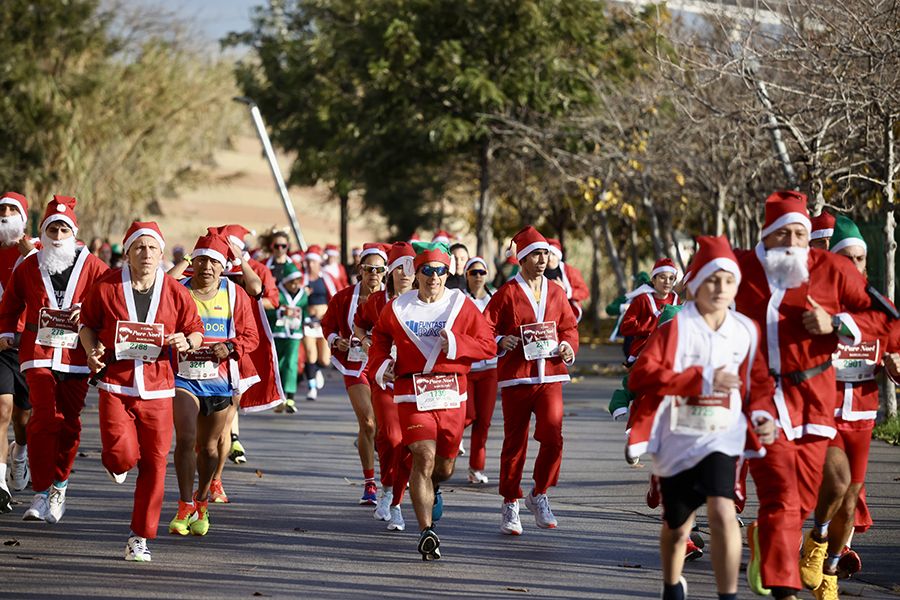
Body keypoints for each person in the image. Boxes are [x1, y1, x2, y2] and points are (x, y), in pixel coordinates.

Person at [734, 191, 872, 599]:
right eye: (786, 234)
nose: (794, 243)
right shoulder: (744, 270)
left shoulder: (833, 277)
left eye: (801, 234)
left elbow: (885, 323)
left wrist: (839, 323)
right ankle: (787, 586)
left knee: (837, 493)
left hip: (832, 409)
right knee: (782, 494)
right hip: (765, 404)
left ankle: (818, 553)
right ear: (768, 235)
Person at [626, 235, 777, 600]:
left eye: (728, 280)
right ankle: (671, 584)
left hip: (722, 436)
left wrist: (762, 414)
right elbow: (641, 376)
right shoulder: (675, 328)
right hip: (679, 437)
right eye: (712, 279)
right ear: (694, 284)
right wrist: (702, 379)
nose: (721, 288)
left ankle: (728, 595)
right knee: (678, 526)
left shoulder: (745, 329)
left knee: (724, 511)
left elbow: (758, 382)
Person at [79, 221, 204, 562]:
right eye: (139, 248)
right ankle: (118, 461)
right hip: (116, 385)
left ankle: (139, 536)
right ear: (128, 253)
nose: (146, 254)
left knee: (155, 464)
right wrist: (91, 351)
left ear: (161, 253)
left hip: (159, 390)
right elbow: (86, 325)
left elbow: (195, 331)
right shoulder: (106, 286)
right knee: (121, 455)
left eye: (152, 248)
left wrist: (186, 341)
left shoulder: (177, 292)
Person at [368, 241, 495, 560]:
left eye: (440, 271)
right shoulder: (398, 307)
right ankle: (427, 532)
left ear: (447, 272)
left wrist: (456, 342)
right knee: (423, 456)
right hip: (412, 393)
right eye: (427, 270)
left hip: (452, 394)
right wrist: (383, 364)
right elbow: (380, 336)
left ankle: (435, 487)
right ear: (416, 272)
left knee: (445, 465)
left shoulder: (461, 305)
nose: (434, 277)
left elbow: (488, 345)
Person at [0, 196, 108, 522]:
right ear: (43, 232)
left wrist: (87, 311)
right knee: (44, 419)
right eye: (52, 229)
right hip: (38, 352)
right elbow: (10, 306)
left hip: (77, 354)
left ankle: (60, 482)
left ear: (73, 233)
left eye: (64, 229)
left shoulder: (94, 267)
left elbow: (110, 304)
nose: (58, 235)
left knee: (69, 424)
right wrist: (5, 331)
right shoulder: (29, 265)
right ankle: (41, 492)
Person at [801, 216, 889, 599]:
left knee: (850, 501)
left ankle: (829, 573)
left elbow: (892, 348)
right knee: (836, 484)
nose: (854, 266)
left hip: (863, 416)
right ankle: (816, 540)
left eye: (859, 259)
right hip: (824, 412)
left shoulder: (878, 306)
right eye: (845, 258)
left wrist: (895, 365)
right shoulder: (813, 303)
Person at [483, 226, 578, 536]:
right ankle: (511, 500)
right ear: (521, 258)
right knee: (515, 442)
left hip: (550, 374)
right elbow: (485, 328)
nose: (542, 259)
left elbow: (569, 328)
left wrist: (567, 346)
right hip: (517, 378)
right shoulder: (506, 292)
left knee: (553, 435)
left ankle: (540, 493)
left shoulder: (556, 291)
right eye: (536, 254)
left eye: (545, 253)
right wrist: (500, 340)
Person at [167, 233, 259, 536]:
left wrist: (231, 348)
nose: (207, 267)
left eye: (215, 262)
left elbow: (251, 337)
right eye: (202, 260)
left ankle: (202, 503)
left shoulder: (235, 295)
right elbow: (162, 292)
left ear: (223, 268)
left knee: (208, 449)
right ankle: (183, 505)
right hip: (183, 378)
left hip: (219, 383)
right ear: (193, 263)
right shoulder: (177, 290)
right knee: (185, 439)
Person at [354, 241, 416, 529]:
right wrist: (367, 344)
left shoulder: (423, 302)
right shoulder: (377, 301)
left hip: (416, 381)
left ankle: (395, 501)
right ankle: (388, 489)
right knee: (390, 437)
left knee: (408, 444)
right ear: (390, 271)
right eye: (400, 267)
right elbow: (359, 324)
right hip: (383, 378)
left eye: (411, 268)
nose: (406, 273)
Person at [323, 243, 387, 504]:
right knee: (369, 422)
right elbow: (327, 324)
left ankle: (391, 478)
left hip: (384, 366)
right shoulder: (344, 297)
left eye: (379, 269)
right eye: (369, 268)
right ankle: (370, 482)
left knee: (383, 428)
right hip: (353, 365)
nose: (374, 273)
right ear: (360, 270)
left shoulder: (392, 299)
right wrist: (336, 340)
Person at [0, 191, 34, 509]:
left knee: (23, 419)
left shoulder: (35, 251)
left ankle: (19, 454)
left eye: (12, 209)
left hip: (28, 346)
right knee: (2, 409)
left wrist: (32, 253)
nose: (6, 214)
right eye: (2, 209)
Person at [462, 257, 498, 484]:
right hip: (466, 367)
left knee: (483, 420)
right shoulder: (459, 299)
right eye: (473, 272)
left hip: (490, 366)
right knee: (467, 415)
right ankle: (448, 447)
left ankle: (476, 467)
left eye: (481, 272)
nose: (477, 276)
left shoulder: (495, 298)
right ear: (466, 275)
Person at [619, 258, 680, 366]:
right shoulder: (642, 299)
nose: (667, 282)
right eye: (662, 277)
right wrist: (654, 321)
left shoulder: (675, 299)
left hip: (670, 350)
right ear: (653, 280)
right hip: (643, 351)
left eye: (671, 278)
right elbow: (625, 326)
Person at [267, 261, 307, 414]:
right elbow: (268, 310)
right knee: (279, 364)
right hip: (278, 332)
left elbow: (305, 311)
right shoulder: (278, 292)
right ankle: (279, 396)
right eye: (292, 282)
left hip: (294, 334)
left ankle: (290, 397)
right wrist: (281, 313)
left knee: (291, 362)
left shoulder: (303, 294)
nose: (295, 285)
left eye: (297, 282)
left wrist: (306, 321)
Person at [301, 245, 337, 400]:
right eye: (307, 262)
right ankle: (312, 388)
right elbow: (296, 300)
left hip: (323, 322)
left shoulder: (326, 278)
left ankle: (317, 370)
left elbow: (335, 298)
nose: (310, 265)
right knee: (310, 354)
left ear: (318, 263)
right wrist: (303, 294)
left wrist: (331, 317)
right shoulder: (302, 279)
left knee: (323, 358)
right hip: (308, 321)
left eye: (313, 262)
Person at [545, 239, 589, 322]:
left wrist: (566, 290)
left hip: (567, 314)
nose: (550, 258)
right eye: (547, 254)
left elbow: (584, 292)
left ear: (558, 256)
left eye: (553, 254)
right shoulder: (538, 272)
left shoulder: (570, 271)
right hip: (545, 315)